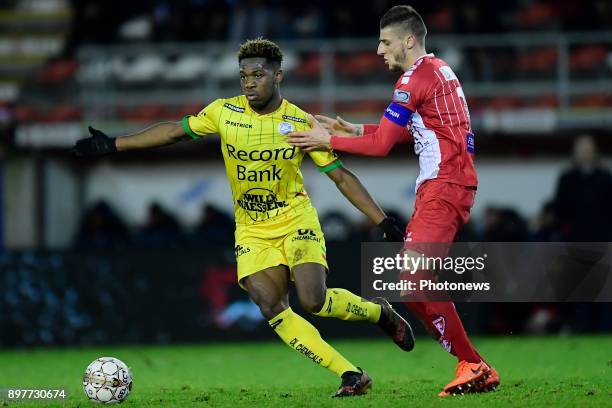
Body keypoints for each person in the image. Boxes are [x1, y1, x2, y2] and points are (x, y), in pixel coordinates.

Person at [72, 38, 414, 397]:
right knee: (270, 305)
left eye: (258, 74)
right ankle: (350, 374)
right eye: (243, 76)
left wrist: (381, 219)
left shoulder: (300, 122)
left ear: (278, 75)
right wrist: (113, 144)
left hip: (296, 221)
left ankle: (379, 313)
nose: (249, 82)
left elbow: (340, 175)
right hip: (252, 230)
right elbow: (173, 130)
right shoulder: (223, 113)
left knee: (315, 301)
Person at [286, 6, 499, 396]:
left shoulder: (413, 77)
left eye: (385, 41)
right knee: (411, 282)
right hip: (448, 184)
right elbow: (414, 131)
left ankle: (473, 364)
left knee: (414, 280)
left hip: (443, 185)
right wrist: (355, 129)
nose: (379, 49)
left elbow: (383, 145)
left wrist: (326, 140)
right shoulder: (439, 71)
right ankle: (473, 363)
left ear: (408, 40)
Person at [554, 134, 612, 242]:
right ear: (575, 151)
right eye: (582, 149)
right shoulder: (566, 178)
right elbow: (560, 207)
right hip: (574, 235)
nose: (585, 152)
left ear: (595, 150)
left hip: (600, 234)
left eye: (588, 149)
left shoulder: (605, 177)